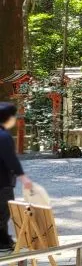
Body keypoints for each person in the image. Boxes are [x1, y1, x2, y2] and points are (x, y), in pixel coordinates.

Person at [0, 102, 31, 251]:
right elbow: (10, 159)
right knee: (3, 212)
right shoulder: (4, 137)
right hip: (2, 182)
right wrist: (23, 177)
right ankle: (3, 243)